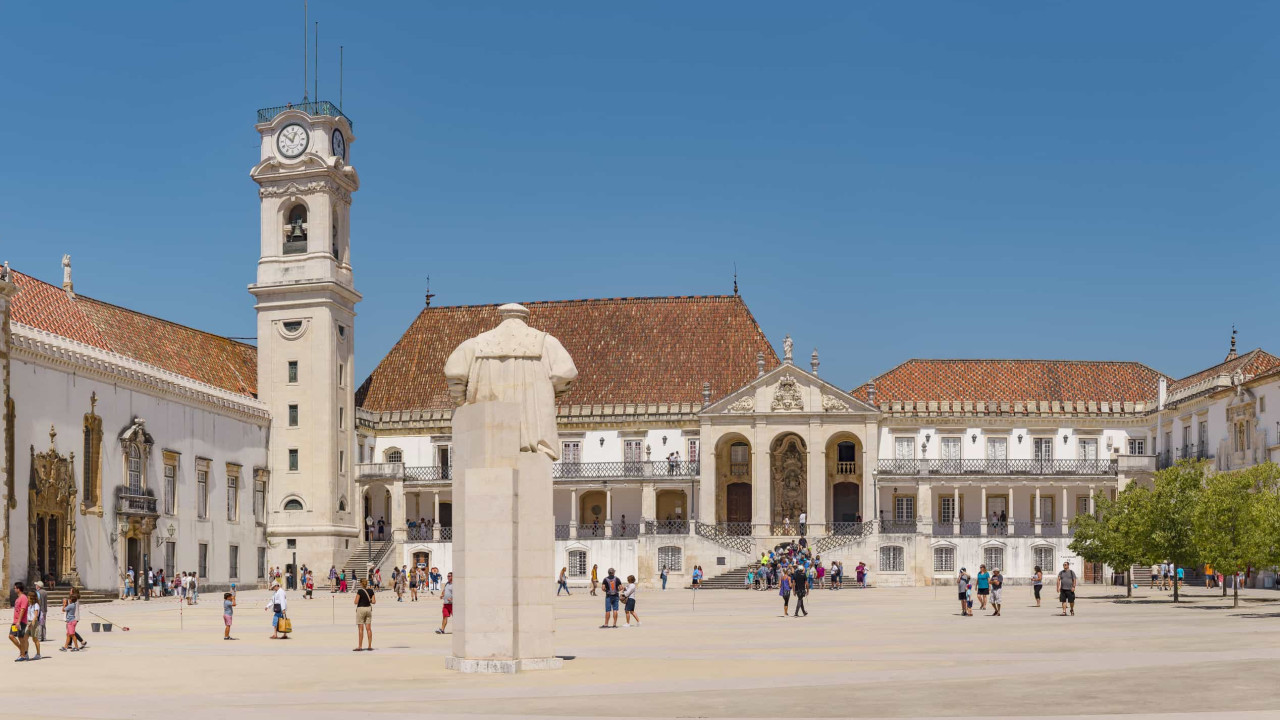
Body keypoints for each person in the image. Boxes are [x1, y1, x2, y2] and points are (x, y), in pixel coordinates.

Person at [354, 578, 376, 651]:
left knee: (361, 629)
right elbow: (374, 601)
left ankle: (360, 647)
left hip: (361, 609)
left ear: (361, 584)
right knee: (369, 629)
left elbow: (356, 602)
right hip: (368, 609)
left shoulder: (360, 591)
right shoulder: (371, 591)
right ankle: (369, 646)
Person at [10, 581, 29, 661]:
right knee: (11, 636)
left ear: (18, 589)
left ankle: (23, 654)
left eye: (15, 588)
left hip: (20, 622)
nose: (14, 589)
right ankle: (23, 651)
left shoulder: (23, 598)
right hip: (15, 622)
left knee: (21, 637)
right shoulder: (18, 598)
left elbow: (22, 610)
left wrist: (19, 621)